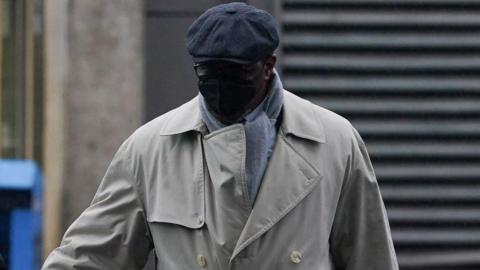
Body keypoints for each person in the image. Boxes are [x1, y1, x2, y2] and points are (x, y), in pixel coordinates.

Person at [42, 2, 398, 269]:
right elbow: (88, 258)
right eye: (207, 70)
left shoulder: (335, 142)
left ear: (269, 65)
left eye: (235, 72)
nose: (219, 82)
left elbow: (371, 257)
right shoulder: (150, 151)